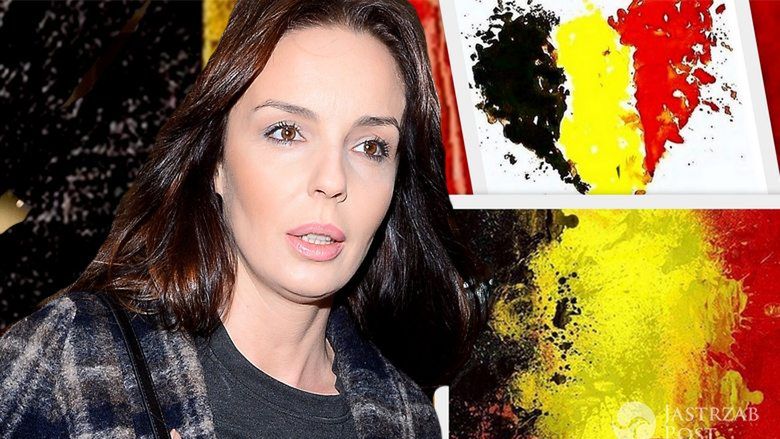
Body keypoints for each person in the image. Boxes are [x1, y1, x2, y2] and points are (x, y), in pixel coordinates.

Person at [0, 0, 488, 437]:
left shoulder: (408, 419)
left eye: (370, 146)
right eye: (286, 132)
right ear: (215, 161)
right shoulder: (67, 358)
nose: (332, 179)